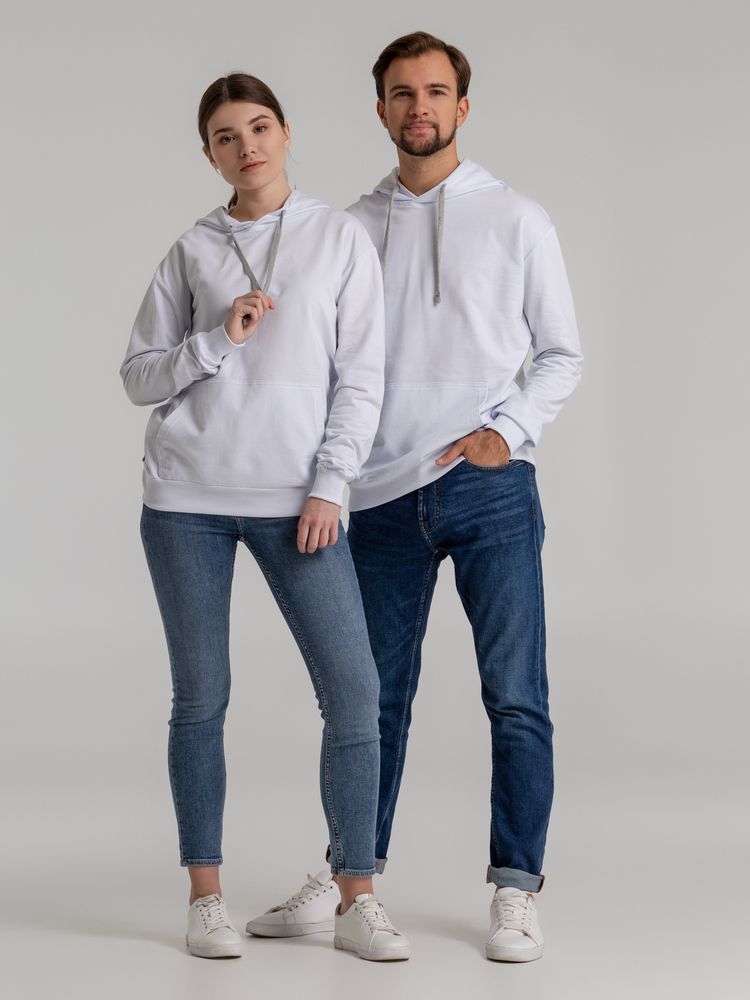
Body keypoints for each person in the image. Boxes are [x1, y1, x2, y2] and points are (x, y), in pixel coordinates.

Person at [248, 33, 583, 962]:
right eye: (403, 93)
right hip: (380, 496)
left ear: (462, 107)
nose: (420, 107)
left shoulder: (517, 218)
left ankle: (516, 887)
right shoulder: (349, 228)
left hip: (488, 489)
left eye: (436, 92)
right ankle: (348, 877)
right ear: (381, 109)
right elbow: (316, 356)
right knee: (369, 702)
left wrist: (505, 431)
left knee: (516, 696)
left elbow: (561, 353)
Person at [120, 72, 410, 962]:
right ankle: (205, 896)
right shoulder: (192, 249)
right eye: (225, 136)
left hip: (298, 502)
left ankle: (356, 896)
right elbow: (138, 376)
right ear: (208, 154)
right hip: (186, 501)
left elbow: (362, 377)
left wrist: (331, 483)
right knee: (201, 698)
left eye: (258, 128)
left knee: (354, 694)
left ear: (285, 133)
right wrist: (218, 339)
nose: (245, 147)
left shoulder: (338, 237)